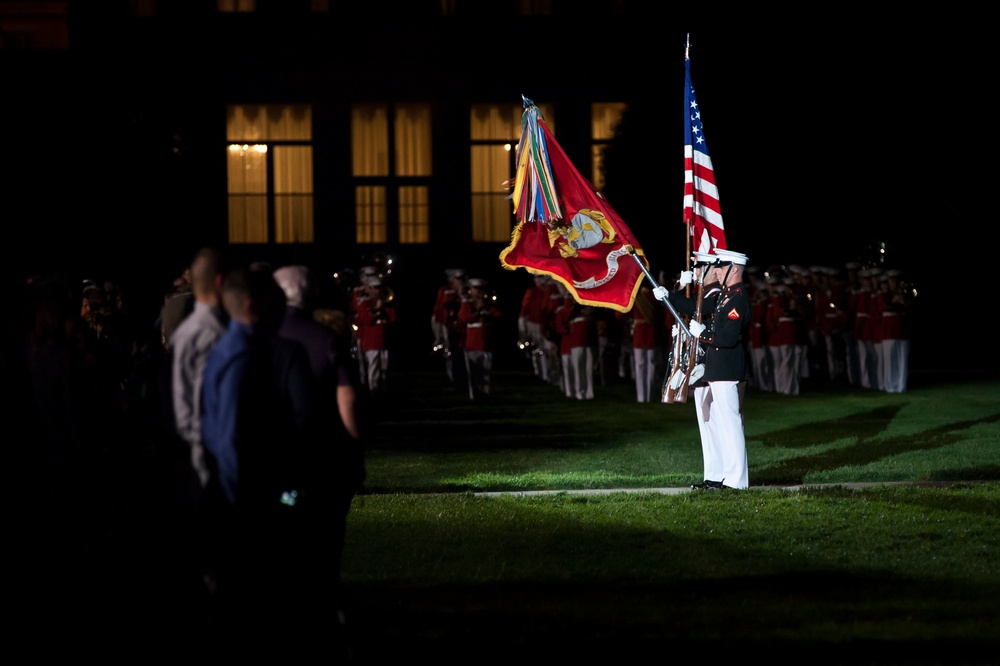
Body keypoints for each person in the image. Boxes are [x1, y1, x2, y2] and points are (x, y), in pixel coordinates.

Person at [653, 248, 752, 490]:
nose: (717, 271)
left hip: (726, 367)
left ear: (734, 269)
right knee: (716, 425)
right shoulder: (728, 295)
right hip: (717, 368)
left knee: (729, 424)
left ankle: (736, 480)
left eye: (721, 267)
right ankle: (717, 476)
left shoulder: (736, 297)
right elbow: (694, 308)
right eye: (716, 267)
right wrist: (671, 294)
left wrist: (702, 333)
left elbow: (726, 337)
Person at [457, 278, 502, 400]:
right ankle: (474, 395)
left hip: (487, 342)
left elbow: (497, 315)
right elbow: (464, 318)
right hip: (472, 342)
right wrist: (477, 311)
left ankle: (485, 394)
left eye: (480, 289)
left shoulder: (489, 303)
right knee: (473, 371)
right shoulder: (467, 303)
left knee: (486, 370)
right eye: (476, 289)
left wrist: (486, 307)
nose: (478, 292)